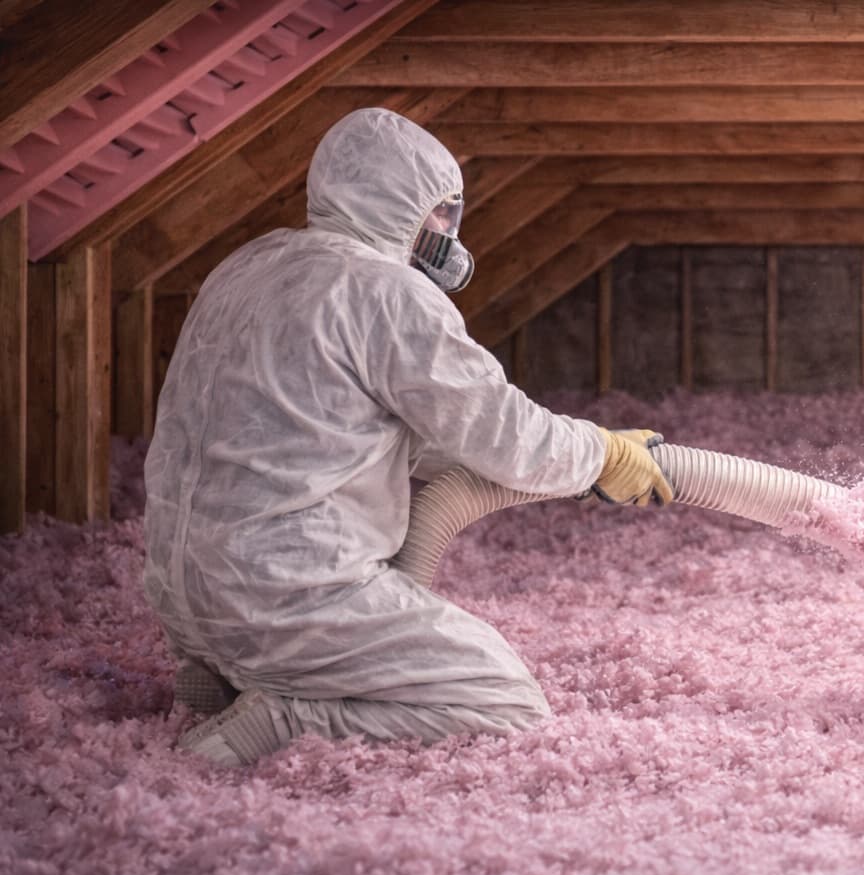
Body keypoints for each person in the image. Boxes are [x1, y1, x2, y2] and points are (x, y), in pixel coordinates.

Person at [142, 107, 672, 768]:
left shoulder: (250, 265)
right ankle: (285, 715)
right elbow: (502, 434)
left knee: (267, 628)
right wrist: (602, 453)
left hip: (183, 594)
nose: (447, 231)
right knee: (503, 701)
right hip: (284, 600)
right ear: (401, 204)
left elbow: (356, 427)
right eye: (441, 211)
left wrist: (581, 460)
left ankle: (216, 678)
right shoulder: (385, 293)